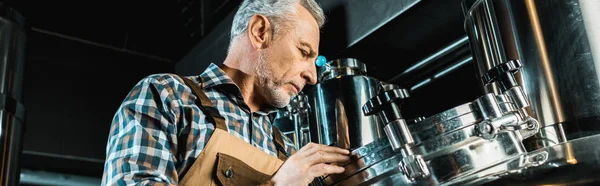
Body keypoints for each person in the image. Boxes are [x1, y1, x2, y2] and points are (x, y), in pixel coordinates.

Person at [101, 0, 351, 185]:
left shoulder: (286, 149)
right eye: (304, 52)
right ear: (260, 32)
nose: (312, 76)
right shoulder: (168, 97)